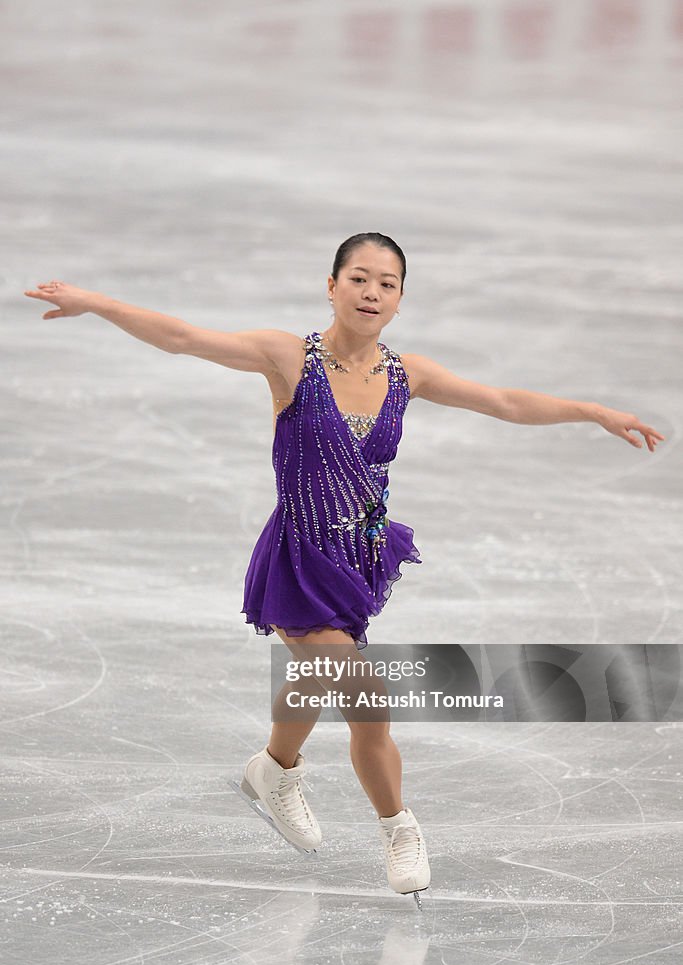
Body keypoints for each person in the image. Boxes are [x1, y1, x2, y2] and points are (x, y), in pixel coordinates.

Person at [24, 231, 665, 906]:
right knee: (363, 695)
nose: (371, 293)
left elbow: (502, 402)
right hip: (298, 558)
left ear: (398, 300)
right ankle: (398, 827)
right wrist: (94, 301)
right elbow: (184, 337)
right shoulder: (288, 359)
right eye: (358, 278)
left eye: (386, 284)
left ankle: (274, 771)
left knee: (318, 675)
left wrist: (591, 411)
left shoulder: (403, 374)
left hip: (357, 558)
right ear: (330, 286)